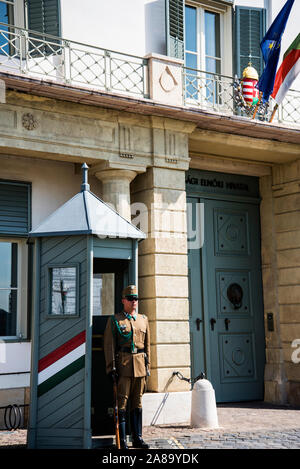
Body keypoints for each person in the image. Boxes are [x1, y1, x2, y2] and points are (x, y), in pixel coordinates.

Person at [104, 285, 150, 449]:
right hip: (123, 367)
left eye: (136, 298)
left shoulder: (143, 319)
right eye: (131, 299)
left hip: (140, 366)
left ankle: (137, 437)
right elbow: (109, 346)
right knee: (121, 404)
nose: (134, 301)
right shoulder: (116, 320)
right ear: (123, 300)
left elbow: (147, 346)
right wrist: (111, 368)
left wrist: (148, 366)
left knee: (137, 403)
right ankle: (122, 440)